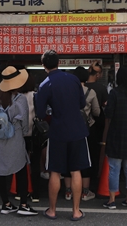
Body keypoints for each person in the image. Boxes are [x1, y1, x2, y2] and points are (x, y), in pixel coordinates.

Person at [34, 50, 89, 221]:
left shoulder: (44, 84)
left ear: (44, 66)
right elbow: (82, 103)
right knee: (76, 170)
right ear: (60, 62)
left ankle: (52, 210)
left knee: (55, 172)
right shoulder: (73, 79)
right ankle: (76, 211)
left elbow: (41, 113)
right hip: (78, 130)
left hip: (57, 131)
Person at [0, 66, 37, 216]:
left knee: (1, 170)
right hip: (15, 137)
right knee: (20, 169)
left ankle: (6, 203)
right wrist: (23, 133)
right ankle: (23, 204)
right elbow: (24, 120)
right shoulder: (20, 99)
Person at [101, 66, 127, 209]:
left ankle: (112, 200)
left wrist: (106, 106)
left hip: (117, 134)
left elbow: (109, 113)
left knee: (114, 169)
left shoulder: (115, 93)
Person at [63, 66, 100, 202]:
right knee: (85, 160)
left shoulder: (67, 91)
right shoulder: (91, 92)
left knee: (68, 159)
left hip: (68, 129)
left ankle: (68, 192)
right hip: (86, 130)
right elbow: (97, 112)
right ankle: (85, 192)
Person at [16, 71, 40, 203]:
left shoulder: (17, 97)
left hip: (20, 134)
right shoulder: (36, 96)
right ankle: (36, 194)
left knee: (20, 164)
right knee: (35, 164)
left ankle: (21, 192)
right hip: (35, 133)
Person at [85, 62, 107, 189]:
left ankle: (85, 175)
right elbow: (104, 105)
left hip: (83, 124)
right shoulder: (101, 88)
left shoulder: (81, 86)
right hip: (98, 124)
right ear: (98, 74)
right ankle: (95, 175)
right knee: (96, 151)